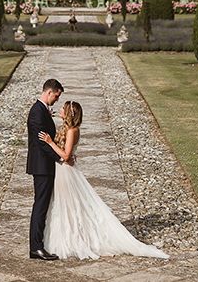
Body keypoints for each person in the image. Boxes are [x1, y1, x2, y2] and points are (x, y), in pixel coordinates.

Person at [38, 101, 169, 260]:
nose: (60, 110)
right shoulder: (68, 128)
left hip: (65, 172)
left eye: (62, 109)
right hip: (61, 170)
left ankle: (78, 239)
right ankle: (67, 236)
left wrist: (50, 142)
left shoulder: (73, 130)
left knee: (70, 207)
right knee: (64, 206)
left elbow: (66, 156)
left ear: (69, 114)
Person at [26, 78, 64, 260]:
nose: (56, 100)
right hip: (41, 166)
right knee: (40, 206)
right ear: (49, 92)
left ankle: (39, 244)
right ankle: (36, 247)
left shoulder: (42, 110)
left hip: (45, 165)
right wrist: (61, 157)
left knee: (43, 205)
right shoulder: (37, 112)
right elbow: (42, 143)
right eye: (56, 96)